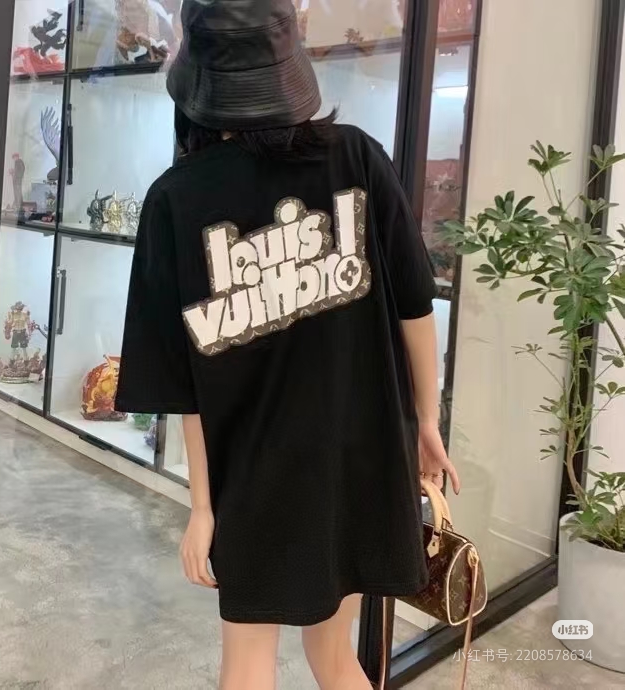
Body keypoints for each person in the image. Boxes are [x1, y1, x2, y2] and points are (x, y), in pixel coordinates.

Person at [114, 1, 460, 688]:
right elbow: (415, 306)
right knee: (333, 655)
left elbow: (184, 383)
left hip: (254, 475)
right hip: (358, 459)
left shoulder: (174, 200)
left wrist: (204, 506)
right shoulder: (356, 155)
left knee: (247, 662)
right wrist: (426, 420)